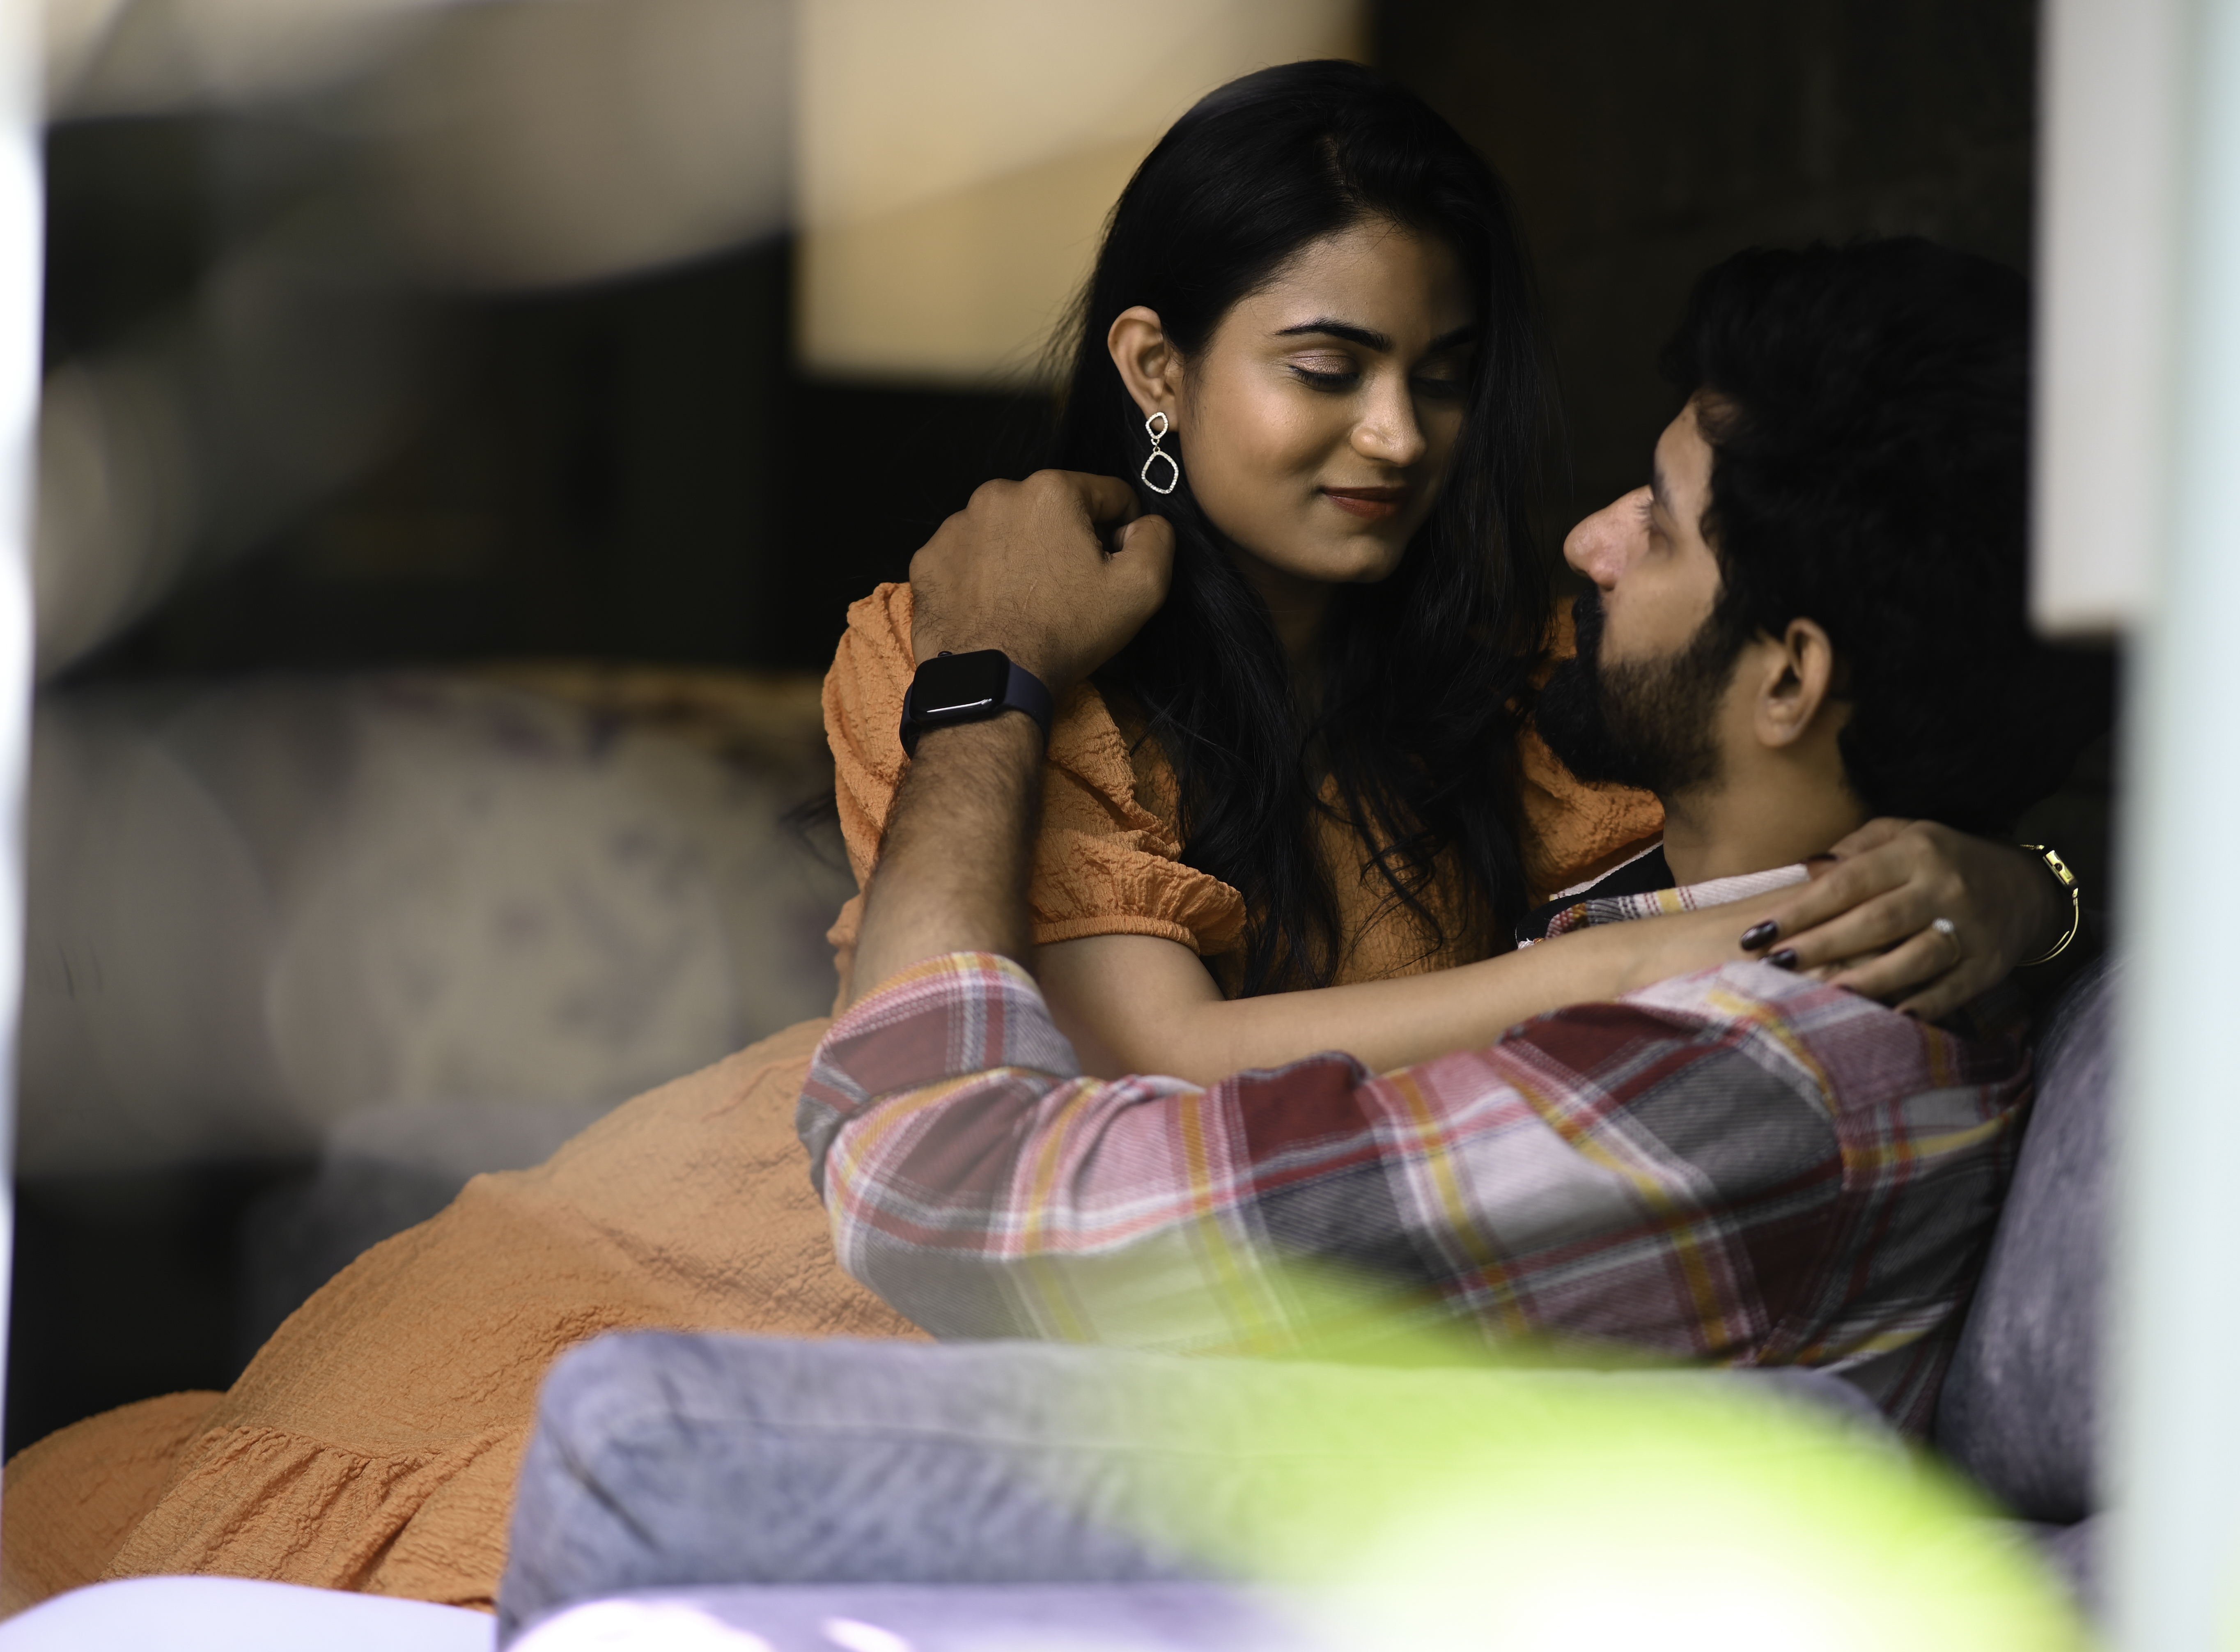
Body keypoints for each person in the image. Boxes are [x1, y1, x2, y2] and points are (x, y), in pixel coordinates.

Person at [806, 239, 2102, 1430]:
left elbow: (944, 1198)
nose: (1584, 542)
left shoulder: (1728, 1089)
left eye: (1655, 520)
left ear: (1788, 682)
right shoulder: (1842, 922)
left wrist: (984, 674)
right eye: (1325, 366)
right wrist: (2041, 889)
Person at [823, 61, 2076, 1090]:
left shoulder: (1548, 674)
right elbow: (1161, 1061)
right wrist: (1670, 961)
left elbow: (1833, 770)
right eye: (1327, 368)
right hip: (824, 1265)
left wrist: (2030, 890)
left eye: (1442, 375)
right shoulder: (978, 655)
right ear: (1157, 369)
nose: (1402, 437)